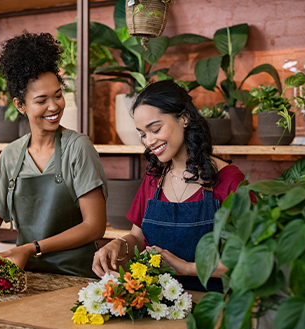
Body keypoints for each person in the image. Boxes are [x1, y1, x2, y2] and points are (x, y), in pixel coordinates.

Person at [0, 32, 108, 278]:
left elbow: (94, 227)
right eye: (41, 100)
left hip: (75, 277)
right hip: (28, 276)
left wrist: (32, 248)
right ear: (20, 105)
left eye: (58, 95)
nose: (54, 106)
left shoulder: (78, 148)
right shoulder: (10, 155)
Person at [91, 80, 244, 291]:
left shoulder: (230, 181)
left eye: (155, 129)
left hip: (210, 306)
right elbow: (137, 236)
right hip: (155, 303)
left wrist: (187, 268)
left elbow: (250, 258)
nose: (149, 141)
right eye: (143, 134)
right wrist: (119, 245)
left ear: (184, 118)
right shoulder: (154, 179)